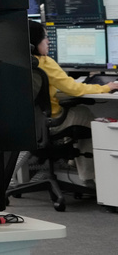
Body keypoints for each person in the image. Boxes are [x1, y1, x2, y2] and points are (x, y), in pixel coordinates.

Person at [29, 20, 118, 182]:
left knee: (72, 108)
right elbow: (74, 89)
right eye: (45, 37)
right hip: (50, 123)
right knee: (85, 114)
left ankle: (73, 163)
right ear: (34, 43)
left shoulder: (15, 63)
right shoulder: (45, 62)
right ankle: (89, 177)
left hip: (27, 124)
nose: (48, 41)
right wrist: (107, 87)